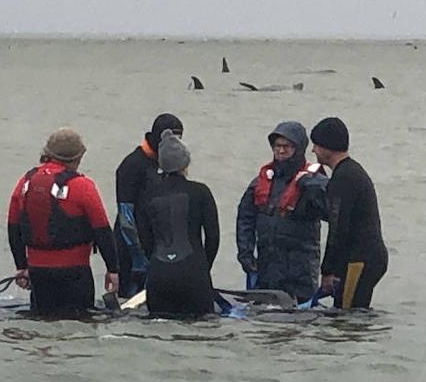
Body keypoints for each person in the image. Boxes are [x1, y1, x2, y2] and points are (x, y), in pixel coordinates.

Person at [7, 128, 119, 315]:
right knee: (77, 331)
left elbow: (13, 227)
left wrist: (21, 266)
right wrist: (112, 269)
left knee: (41, 326)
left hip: (38, 275)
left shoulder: (25, 182)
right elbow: (102, 230)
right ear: (77, 158)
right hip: (75, 275)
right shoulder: (82, 186)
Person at [235, 121, 328, 302]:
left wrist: (311, 186)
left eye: (287, 146)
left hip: (300, 269)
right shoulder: (260, 182)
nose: (281, 151)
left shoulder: (314, 180)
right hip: (266, 265)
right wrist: (245, 253)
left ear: (298, 149)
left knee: (298, 321)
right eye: (277, 146)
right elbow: (245, 218)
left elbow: (331, 210)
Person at [137, 129, 219, 316]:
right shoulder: (201, 192)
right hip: (193, 272)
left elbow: (145, 239)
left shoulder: (147, 195)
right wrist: (203, 268)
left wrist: (157, 262)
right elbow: (213, 237)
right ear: (185, 163)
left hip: (159, 274)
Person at [311, 117, 389, 309]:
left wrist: (327, 271)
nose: (313, 150)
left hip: (359, 260)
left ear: (328, 148)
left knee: (347, 316)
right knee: (349, 314)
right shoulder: (350, 172)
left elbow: (337, 228)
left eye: (316, 145)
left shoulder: (343, 178)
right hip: (367, 258)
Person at [115, 113, 184, 297]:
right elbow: (125, 216)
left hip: (157, 250)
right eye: (170, 138)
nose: (174, 143)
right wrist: (137, 255)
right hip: (131, 251)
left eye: (178, 139)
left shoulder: (168, 165)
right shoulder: (132, 165)